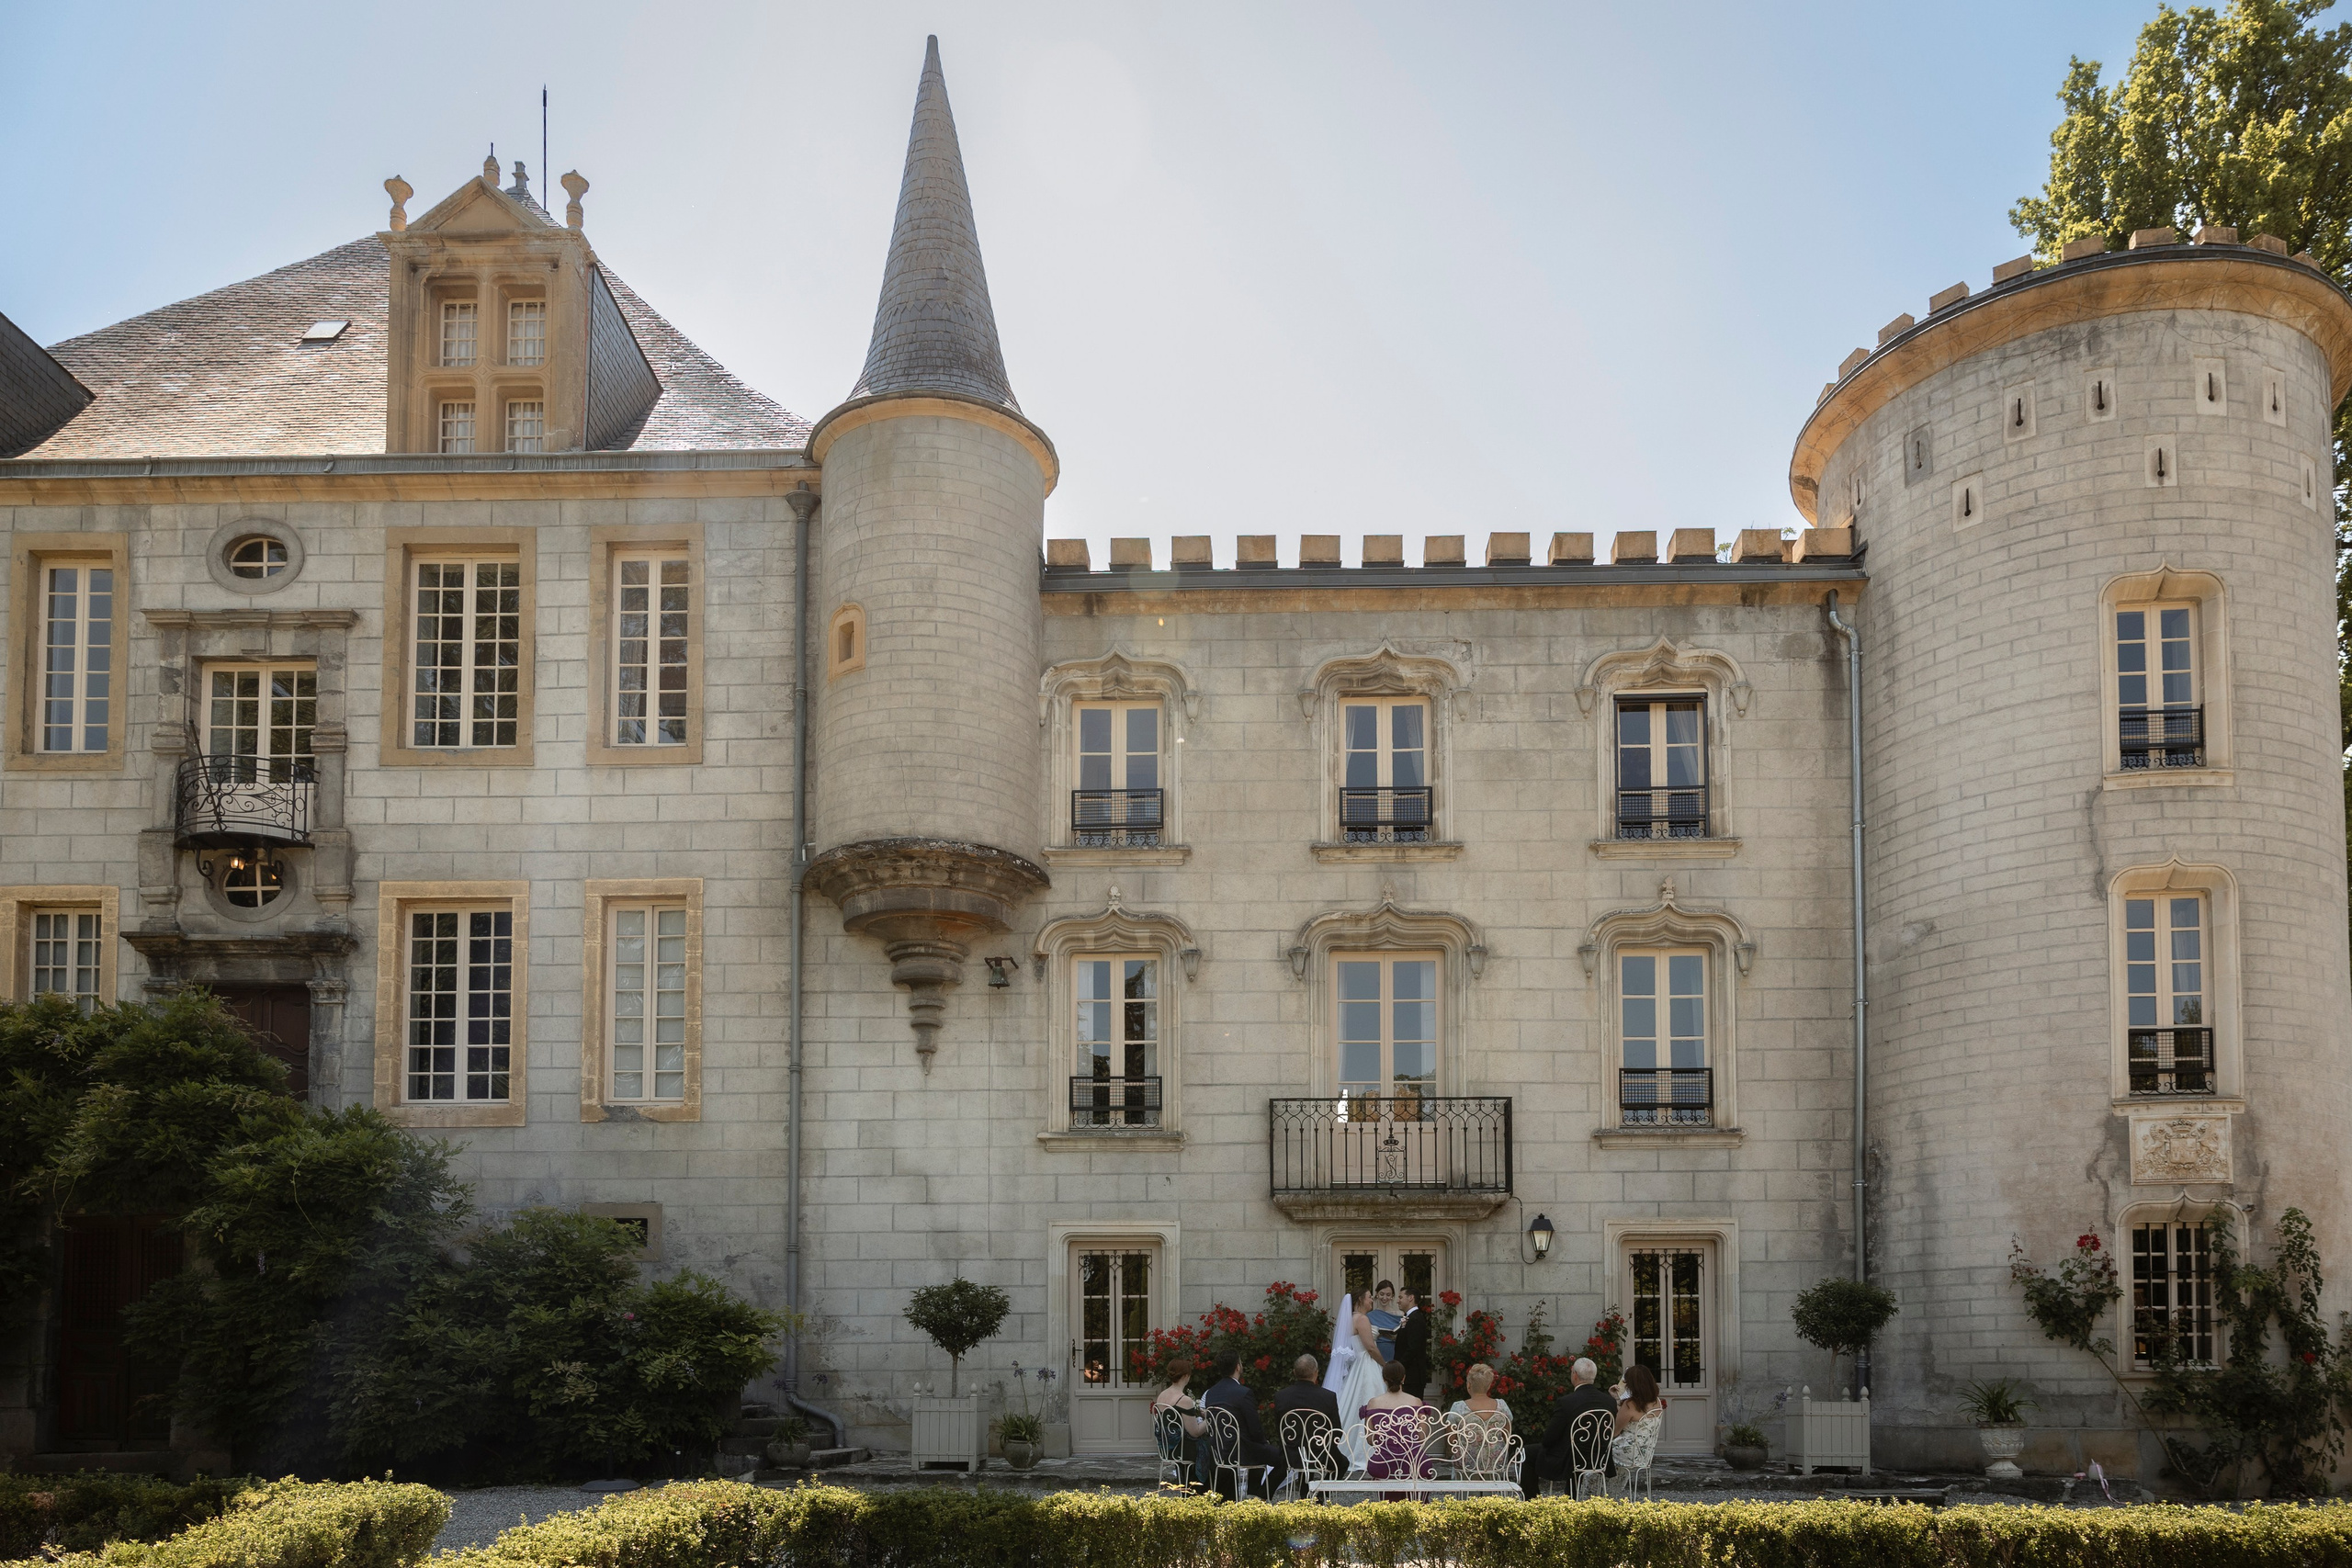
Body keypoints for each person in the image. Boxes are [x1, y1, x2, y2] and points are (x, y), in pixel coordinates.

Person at [1521, 1356, 1617, 1498]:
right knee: (1572, 1447)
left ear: (1575, 1375)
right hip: (1599, 1457)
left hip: (1570, 1459)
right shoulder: (1609, 1401)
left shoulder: (1567, 1402)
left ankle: (1532, 1502)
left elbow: (1549, 1438)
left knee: (1526, 1453)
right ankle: (1570, 1497)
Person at [1200, 1347, 1286, 1498]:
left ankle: (1252, 1494)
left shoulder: (1211, 1393)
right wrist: (1263, 1442)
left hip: (1220, 1451)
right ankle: (1260, 1496)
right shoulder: (1244, 1393)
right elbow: (1254, 1429)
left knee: (1259, 1451)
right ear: (1238, 1367)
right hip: (1242, 1451)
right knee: (1285, 1459)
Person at [1325, 1291, 1390, 1472]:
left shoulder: (1351, 1318)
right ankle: (1366, 1452)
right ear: (1361, 1299)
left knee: (1356, 1405)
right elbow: (1370, 1347)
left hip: (1358, 1366)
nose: (1372, 1300)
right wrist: (1385, 1365)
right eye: (1370, 1297)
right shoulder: (1362, 1319)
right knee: (1369, 1402)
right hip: (1366, 1365)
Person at [1358, 1358, 1432, 1482]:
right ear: (1403, 1378)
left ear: (1384, 1379)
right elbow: (1422, 1437)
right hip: (1414, 1464)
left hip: (1383, 1464)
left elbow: (1371, 1440)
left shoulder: (1373, 1403)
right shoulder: (1416, 1402)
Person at [1272, 1353, 1340, 1474]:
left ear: (1294, 1372)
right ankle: (1321, 1493)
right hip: (1320, 1454)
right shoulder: (1328, 1397)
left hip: (1291, 1454)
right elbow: (1336, 1431)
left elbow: (1279, 1428)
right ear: (1316, 1373)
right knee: (1342, 1463)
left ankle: (1263, 1493)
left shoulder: (1281, 1396)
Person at [1149, 1356, 1207, 1488]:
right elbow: (1195, 1432)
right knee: (1210, 1448)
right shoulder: (1184, 1400)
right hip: (1181, 1450)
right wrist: (1209, 1419)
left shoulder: (1162, 1395)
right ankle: (1203, 1493)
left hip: (1167, 1448)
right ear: (1187, 1375)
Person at [1611, 1363, 1668, 1472]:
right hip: (1644, 1455)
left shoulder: (1630, 1404)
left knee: (1596, 1450)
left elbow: (1614, 1432)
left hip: (1626, 1454)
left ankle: (1595, 1486)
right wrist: (1618, 1400)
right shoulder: (1657, 1402)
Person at [1391, 1287, 1432, 1401]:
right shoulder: (1411, 1318)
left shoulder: (1415, 1319)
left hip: (1411, 1377)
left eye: (1400, 1297)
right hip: (1407, 1376)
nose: (1397, 1301)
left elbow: (1413, 1348)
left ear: (1411, 1298)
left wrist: (1397, 1368)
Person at [1366, 1280, 1402, 1364]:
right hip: (1376, 1354)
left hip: (1395, 1353)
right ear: (1377, 1294)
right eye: (1382, 1294)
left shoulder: (1400, 1315)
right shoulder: (1369, 1316)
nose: (1384, 1298)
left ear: (1392, 1296)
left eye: (1388, 1295)